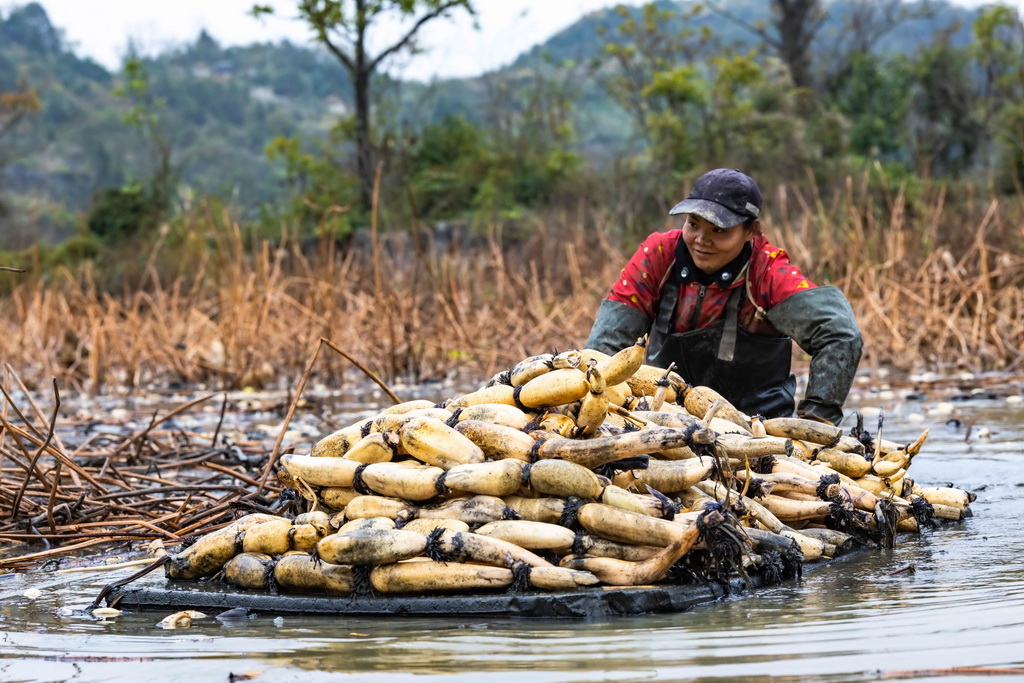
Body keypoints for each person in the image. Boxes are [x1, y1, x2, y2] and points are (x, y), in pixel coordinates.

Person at [585, 168, 862, 425]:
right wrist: (589, 398)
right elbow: (606, 346)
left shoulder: (767, 272)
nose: (702, 240)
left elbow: (839, 333)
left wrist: (815, 423)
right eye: (694, 224)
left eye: (719, 230)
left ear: (751, 231)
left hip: (758, 426)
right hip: (664, 418)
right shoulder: (659, 255)